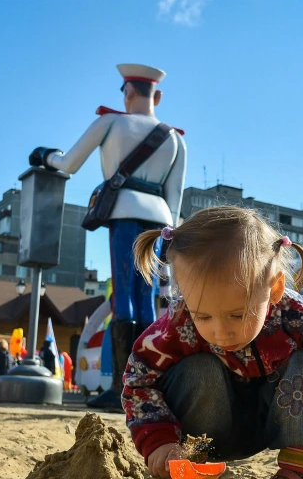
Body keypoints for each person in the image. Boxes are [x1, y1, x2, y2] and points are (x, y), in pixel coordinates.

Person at [124, 206, 303, 479]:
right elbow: (139, 377)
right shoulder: (179, 323)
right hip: (211, 430)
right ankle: (182, 472)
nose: (221, 332)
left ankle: (295, 476)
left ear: (274, 288)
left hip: (279, 422)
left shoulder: (298, 317)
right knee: (197, 368)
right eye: (203, 315)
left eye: (238, 314)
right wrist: (159, 441)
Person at [30, 63, 187, 410]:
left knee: (123, 297)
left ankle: (121, 385)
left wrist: (44, 155)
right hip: (158, 218)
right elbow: (174, 197)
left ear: (128, 91)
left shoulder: (110, 122)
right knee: (148, 298)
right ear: (157, 96)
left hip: (123, 212)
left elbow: (68, 163)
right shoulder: (174, 138)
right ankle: (147, 384)